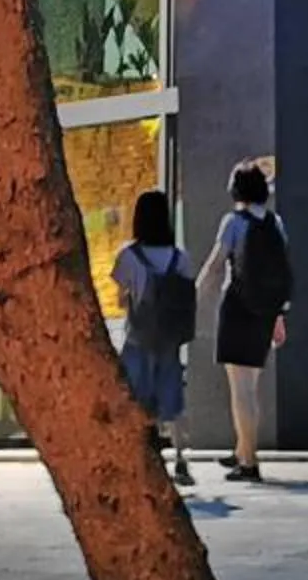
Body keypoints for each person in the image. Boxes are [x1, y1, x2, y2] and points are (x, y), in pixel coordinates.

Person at [196, 161, 293, 484]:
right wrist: (279, 315)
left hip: (237, 308)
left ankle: (249, 462)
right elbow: (280, 272)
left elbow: (214, 266)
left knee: (240, 391)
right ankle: (241, 449)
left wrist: (194, 295)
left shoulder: (233, 222)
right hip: (265, 312)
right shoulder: (275, 223)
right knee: (250, 388)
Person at [111, 189, 196, 486]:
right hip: (170, 340)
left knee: (135, 397)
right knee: (172, 401)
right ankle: (181, 458)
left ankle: (141, 458)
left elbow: (121, 300)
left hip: (138, 338)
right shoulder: (180, 257)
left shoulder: (127, 256)